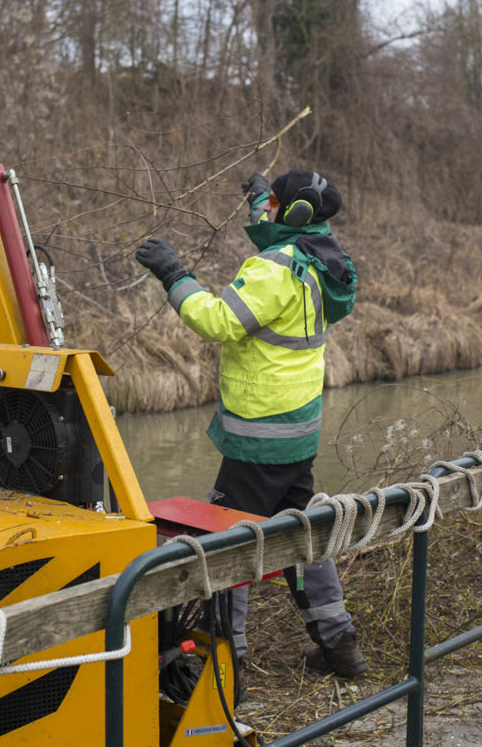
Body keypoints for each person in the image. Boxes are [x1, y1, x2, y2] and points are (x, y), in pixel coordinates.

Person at [135, 168, 365, 678]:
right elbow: (279, 230)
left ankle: (226, 662)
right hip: (296, 434)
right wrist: (264, 196)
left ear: (294, 212)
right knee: (302, 537)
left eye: (275, 203)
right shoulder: (323, 256)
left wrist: (173, 275)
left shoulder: (273, 269)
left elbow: (218, 320)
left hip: (257, 442)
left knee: (229, 549)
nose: (267, 211)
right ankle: (340, 643)